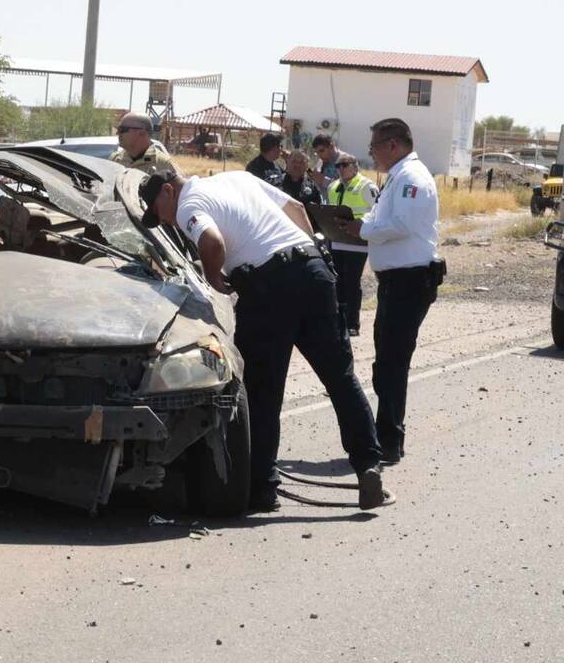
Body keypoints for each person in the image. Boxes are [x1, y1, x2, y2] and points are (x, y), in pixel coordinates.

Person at [139, 168, 391, 512]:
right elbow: (298, 211)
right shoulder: (238, 178)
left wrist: (214, 277)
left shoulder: (188, 205)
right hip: (314, 273)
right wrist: (312, 260)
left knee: (263, 391)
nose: (165, 220)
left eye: (159, 211)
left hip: (268, 287)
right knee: (340, 377)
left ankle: (262, 489)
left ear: (168, 190)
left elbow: (212, 242)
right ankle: (368, 469)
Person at [338, 118, 440, 465]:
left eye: (375, 147)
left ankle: (390, 441)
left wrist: (362, 229)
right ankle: (386, 436)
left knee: (393, 363)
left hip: (411, 282)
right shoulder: (398, 177)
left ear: (393, 144)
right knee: (387, 362)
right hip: (397, 282)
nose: (373, 154)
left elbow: (402, 225)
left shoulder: (412, 178)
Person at [326, 154, 378, 336]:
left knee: (352, 281)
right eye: (338, 165)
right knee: (337, 281)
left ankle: (352, 323)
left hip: (357, 242)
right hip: (337, 240)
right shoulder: (333, 187)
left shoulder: (367, 186)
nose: (340, 169)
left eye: (344, 165)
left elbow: (377, 211)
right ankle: (339, 320)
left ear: (355, 167)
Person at [109, 112, 175, 176]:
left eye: (122, 129)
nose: (117, 133)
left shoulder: (162, 163)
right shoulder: (115, 159)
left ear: (142, 133)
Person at [310, 133, 342, 199]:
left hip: (338, 206)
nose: (319, 155)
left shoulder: (345, 161)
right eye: (317, 153)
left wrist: (324, 181)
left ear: (331, 146)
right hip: (322, 204)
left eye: (321, 151)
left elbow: (348, 187)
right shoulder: (321, 161)